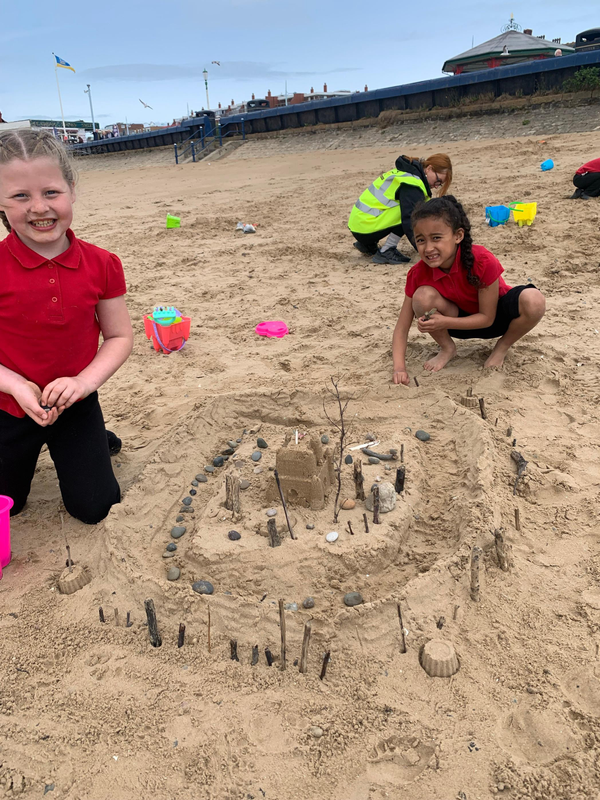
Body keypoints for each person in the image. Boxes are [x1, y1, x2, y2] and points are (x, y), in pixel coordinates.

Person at [0, 129, 133, 523]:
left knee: (95, 508)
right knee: (9, 505)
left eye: (51, 192)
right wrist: (15, 385)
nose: (39, 207)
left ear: (72, 190)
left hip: (75, 403)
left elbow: (119, 336)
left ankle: (92, 439)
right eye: (20, 196)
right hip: (8, 406)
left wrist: (83, 383)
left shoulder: (103, 263)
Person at [391, 196, 545, 381]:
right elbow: (402, 328)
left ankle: (502, 347)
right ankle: (447, 348)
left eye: (436, 238)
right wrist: (399, 369)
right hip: (453, 322)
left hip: (496, 319)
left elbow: (487, 318)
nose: (428, 248)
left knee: (534, 300)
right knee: (422, 296)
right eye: (421, 240)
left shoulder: (482, 260)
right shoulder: (417, 273)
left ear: (458, 236)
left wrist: (444, 322)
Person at [348, 153, 452, 265]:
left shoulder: (406, 173)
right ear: (429, 169)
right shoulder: (412, 184)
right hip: (365, 227)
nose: (436, 186)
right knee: (415, 212)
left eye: (440, 184)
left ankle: (367, 245)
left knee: (410, 208)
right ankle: (387, 250)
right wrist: (424, 249)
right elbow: (410, 220)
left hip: (358, 224)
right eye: (438, 180)